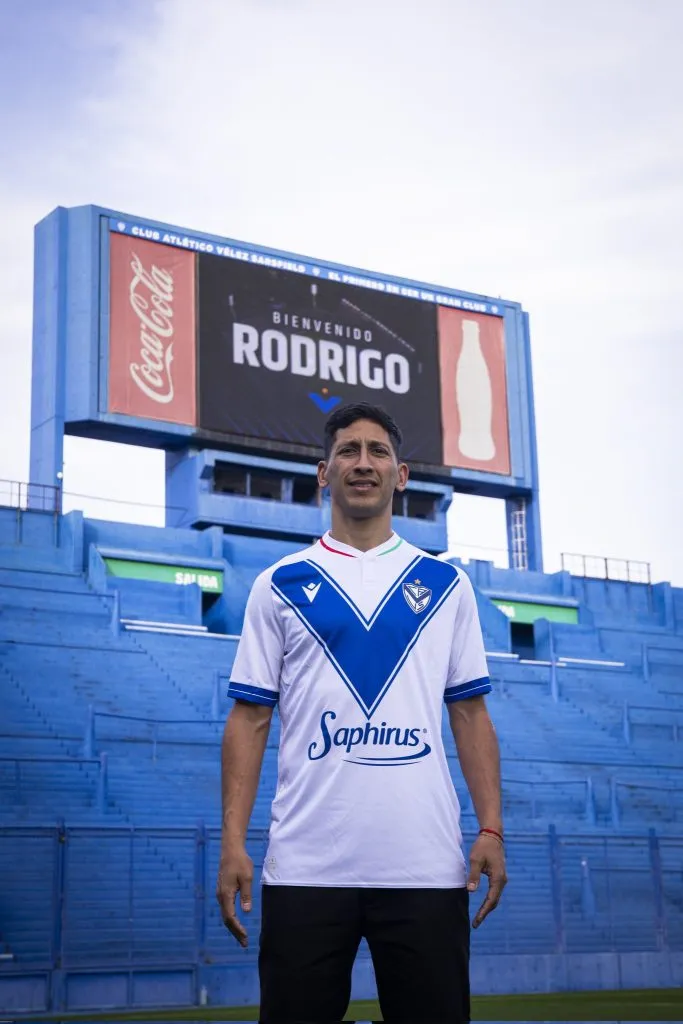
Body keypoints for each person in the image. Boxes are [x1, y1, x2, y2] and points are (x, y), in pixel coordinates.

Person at [216, 402, 507, 1024]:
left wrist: (491, 829)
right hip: (305, 869)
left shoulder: (447, 585)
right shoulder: (280, 583)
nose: (364, 463)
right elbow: (249, 719)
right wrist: (234, 844)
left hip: (426, 868)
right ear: (324, 473)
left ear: (401, 475)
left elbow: (471, 715)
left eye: (379, 452)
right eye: (349, 451)